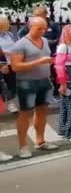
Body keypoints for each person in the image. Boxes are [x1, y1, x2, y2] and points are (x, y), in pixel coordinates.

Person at [10, 17, 59, 158]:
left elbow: (45, 58)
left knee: (42, 111)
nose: (43, 30)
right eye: (39, 28)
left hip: (44, 80)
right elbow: (15, 66)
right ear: (30, 26)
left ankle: (40, 141)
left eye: (44, 28)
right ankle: (23, 146)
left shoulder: (44, 41)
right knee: (25, 114)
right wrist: (39, 62)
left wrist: (50, 62)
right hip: (26, 83)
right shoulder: (20, 44)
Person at [0, 16, 18, 113]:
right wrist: (6, 53)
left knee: (12, 85)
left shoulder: (10, 34)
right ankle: (6, 103)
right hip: (2, 64)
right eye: (7, 24)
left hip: (12, 63)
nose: (9, 25)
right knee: (2, 85)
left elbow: (18, 45)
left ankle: (11, 103)